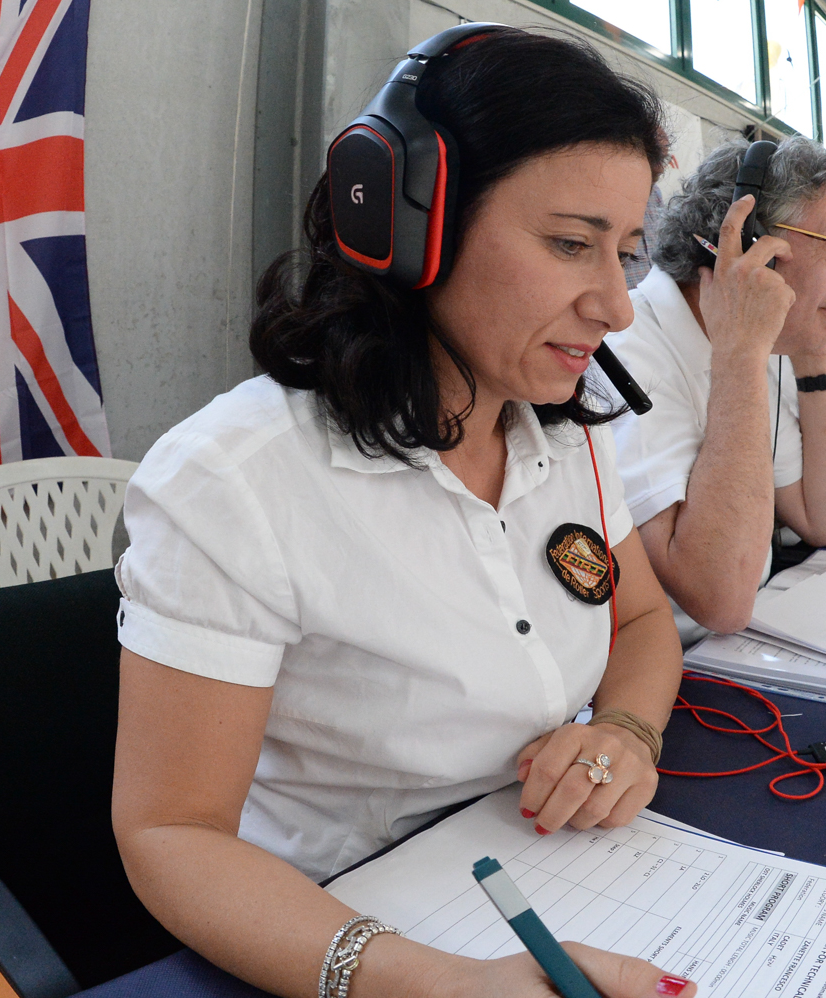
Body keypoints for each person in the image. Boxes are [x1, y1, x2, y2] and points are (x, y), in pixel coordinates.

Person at [111, 28, 699, 998]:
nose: (616, 306)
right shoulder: (235, 480)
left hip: (545, 869)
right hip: (336, 925)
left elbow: (639, 619)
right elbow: (171, 832)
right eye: (570, 243)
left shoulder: (562, 435)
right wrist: (445, 985)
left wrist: (627, 729)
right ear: (408, 220)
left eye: (625, 254)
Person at [608, 137, 826, 645]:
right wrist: (742, 358)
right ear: (753, 247)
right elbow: (721, 600)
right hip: (683, 664)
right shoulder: (629, 353)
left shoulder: (752, 342)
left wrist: (814, 347)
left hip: (740, 641)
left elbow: (825, 520)